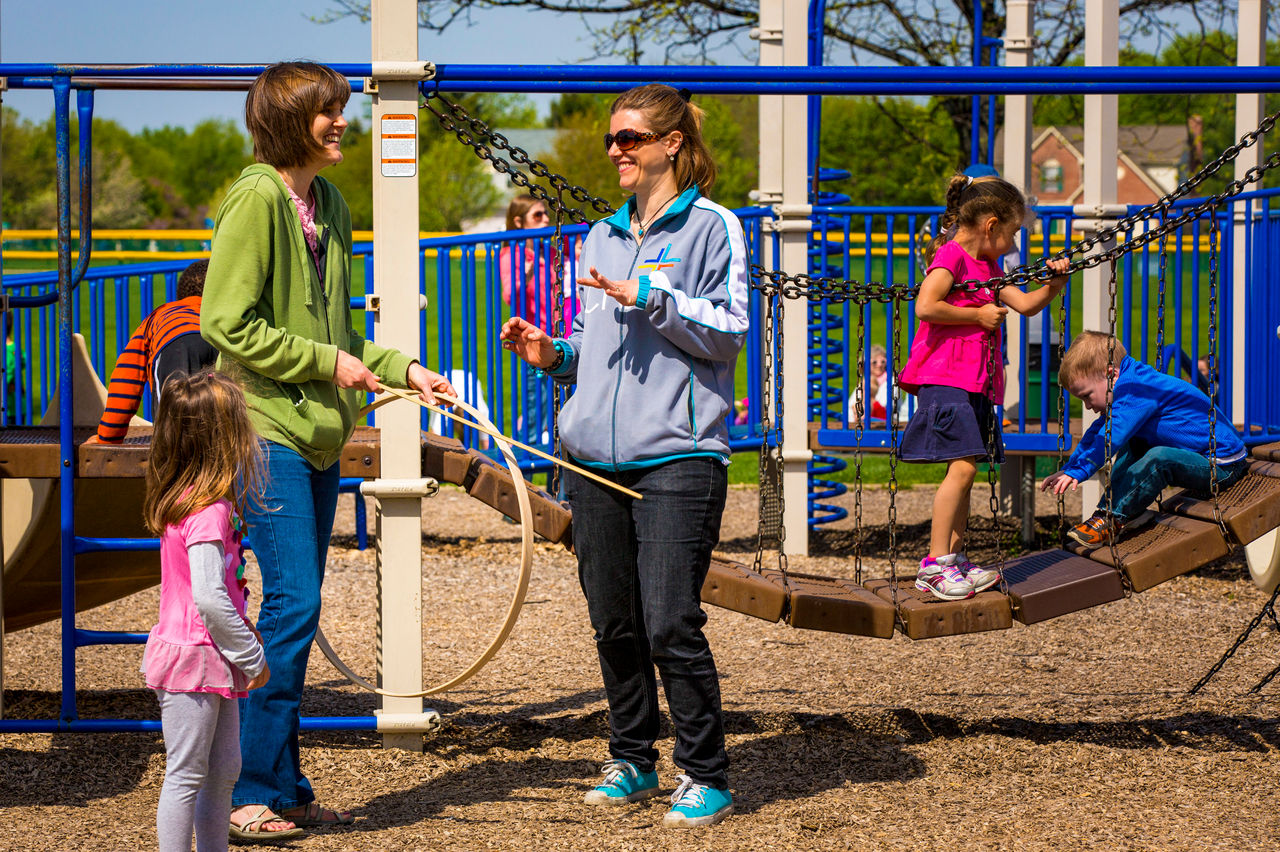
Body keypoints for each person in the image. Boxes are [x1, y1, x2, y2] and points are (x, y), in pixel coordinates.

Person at [201, 61, 455, 841]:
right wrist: (325, 364)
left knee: (295, 613)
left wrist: (400, 368)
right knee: (292, 606)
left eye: (342, 109)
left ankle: (281, 784)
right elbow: (225, 324)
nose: (341, 121)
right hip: (264, 431)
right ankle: (248, 792)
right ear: (288, 121)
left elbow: (338, 338)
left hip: (317, 436)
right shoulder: (255, 199)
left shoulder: (332, 203)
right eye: (326, 111)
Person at [499, 84, 745, 829]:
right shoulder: (599, 236)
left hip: (679, 453)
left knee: (670, 617)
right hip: (593, 459)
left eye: (630, 138)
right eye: (613, 139)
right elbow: (597, 351)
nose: (616, 151)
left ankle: (706, 772)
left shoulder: (712, 227)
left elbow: (730, 329)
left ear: (672, 143)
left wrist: (649, 294)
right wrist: (555, 355)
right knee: (613, 619)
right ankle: (633, 757)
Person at [896, 172, 1069, 601]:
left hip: (974, 381)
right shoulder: (951, 256)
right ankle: (935, 565)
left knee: (968, 472)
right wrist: (975, 317)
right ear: (991, 225)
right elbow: (926, 304)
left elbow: (1026, 305)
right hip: (944, 377)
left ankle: (954, 561)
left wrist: (1054, 285)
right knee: (964, 467)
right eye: (1012, 233)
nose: (1014, 244)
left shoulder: (990, 267)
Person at [140, 372, 282, 851]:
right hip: (194, 658)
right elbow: (208, 595)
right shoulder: (206, 510)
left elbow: (216, 590)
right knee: (187, 773)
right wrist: (253, 658)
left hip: (211, 654)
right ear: (223, 438)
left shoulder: (200, 500)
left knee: (223, 770)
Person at [1042, 331, 1247, 545]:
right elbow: (1099, 431)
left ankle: (1113, 516)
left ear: (1111, 375)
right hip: (1198, 455)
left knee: (1159, 457)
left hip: (1222, 466)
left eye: (1086, 395)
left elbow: (1110, 437)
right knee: (1135, 441)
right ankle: (1123, 512)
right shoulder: (1130, 382)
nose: (1087, 405)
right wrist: (1072, 467)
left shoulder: (1136, 390)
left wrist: (1080, 470)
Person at [98, 259, 218, 442]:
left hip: (176, 342)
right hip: (219, 335)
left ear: (180, 295)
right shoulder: (228, 317)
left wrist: (108, 437)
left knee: (174, 424)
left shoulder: (160, 317)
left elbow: (127, 380)